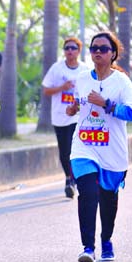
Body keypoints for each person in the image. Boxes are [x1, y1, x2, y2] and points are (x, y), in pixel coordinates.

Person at [65, 31, 132, 262]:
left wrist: (106, 104)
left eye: (103, 48)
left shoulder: (121, 82)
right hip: (84, 146)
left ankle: (106, 239)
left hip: (112, 151)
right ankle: (88, 247)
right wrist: (73, 108)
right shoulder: (83, 78)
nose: (97, 52)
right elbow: (79, 101)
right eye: (94, 48)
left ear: (113, 53)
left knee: (108, 200)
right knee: (88, 192)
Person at [41, 37, 89, 198]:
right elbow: (46, 90)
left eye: (73, 48)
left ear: (79, 50)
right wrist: (63, 87)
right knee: (64, 150)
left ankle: (72, 181)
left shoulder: (85, 69)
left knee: (73, 147)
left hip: (76, 115)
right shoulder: (57, 68)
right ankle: (69, 177)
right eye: (67, 48)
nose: (70, 51)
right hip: (59, 115)